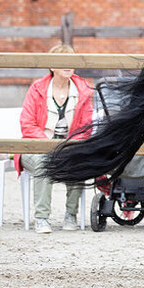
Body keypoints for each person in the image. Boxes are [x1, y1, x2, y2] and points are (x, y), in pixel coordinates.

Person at [16, 44, 93, 233]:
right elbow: (27, 124)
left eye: (71, 61)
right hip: (37, 147)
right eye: (63, 61)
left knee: (78, 159)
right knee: (44, 161)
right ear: (51, 66)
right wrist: (47, 144)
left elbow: (86, 127)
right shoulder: (37, 88)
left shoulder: (83, 90)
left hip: (69, 146)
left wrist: (68, 146)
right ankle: (41, 218)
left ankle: (70, 215)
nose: (68, 65)